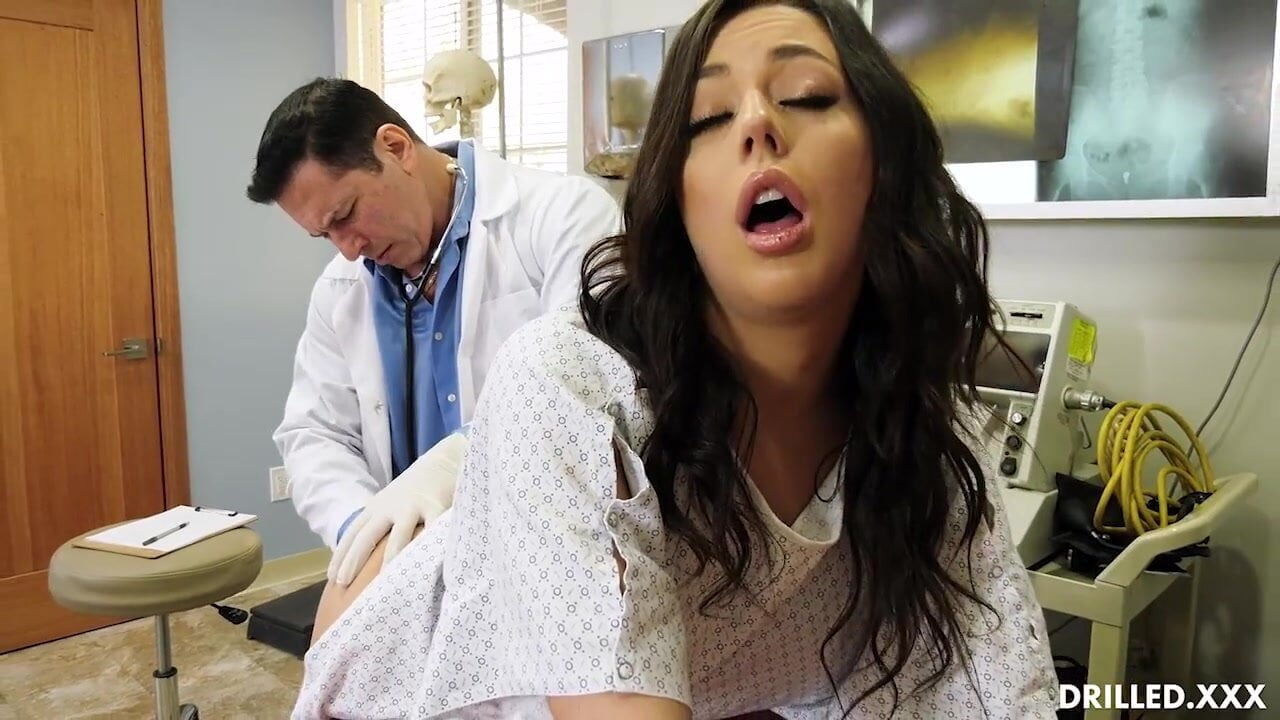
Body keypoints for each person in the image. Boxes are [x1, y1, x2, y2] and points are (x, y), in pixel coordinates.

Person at [294, 0, 1058, 717]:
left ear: (885, 161)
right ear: (677, 201)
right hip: (400, 671)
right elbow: (321, 432)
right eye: (710, 117)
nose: (756, 123)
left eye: (807, 96)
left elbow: (995, 677)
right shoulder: (576, 386)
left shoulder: (926, 430)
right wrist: (409, 497)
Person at [246, 79, 621, 587]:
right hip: (408, 568)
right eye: (325, 234)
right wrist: (364, 529)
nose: (348, 249)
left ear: (395, 147)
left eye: (345, 215)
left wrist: (455, 460)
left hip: (548, 555)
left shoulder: (565, 217)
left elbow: (590, 381)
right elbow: (315, 433)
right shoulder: (342, 287)